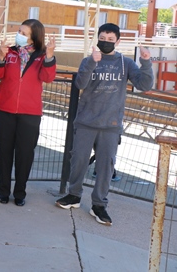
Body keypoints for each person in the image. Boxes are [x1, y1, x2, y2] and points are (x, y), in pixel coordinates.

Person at [56, 23, 153, 226]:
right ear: (97, 39)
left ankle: (99, 204)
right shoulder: (88, 60)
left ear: (117, 41)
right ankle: (74, 195)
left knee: (106, 167)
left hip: (111, 124)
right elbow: (80, 84)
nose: (106, 42)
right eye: (103, 38)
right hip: (86, 122)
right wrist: (92, 62)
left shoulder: (125, 63)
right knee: (79, 161)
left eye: (110, 39)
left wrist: (146, 62)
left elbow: (144, 85)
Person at [0, 19, 56, 206]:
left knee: (25, 154)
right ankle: (3, 191)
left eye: (24, 33)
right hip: (4, 110)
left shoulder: (43, 56)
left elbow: (47, 77)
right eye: (19, 31)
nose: (19, 35)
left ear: (34, 38)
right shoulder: (9, 52)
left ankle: (20, 192)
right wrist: (0, 58)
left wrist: (50, 57)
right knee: (5, 152)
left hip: (30, 113)